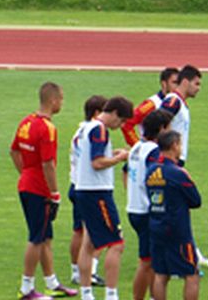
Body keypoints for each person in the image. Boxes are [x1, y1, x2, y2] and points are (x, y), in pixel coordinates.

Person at [11, 81, 77, 300]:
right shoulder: (47, 128)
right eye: (61, 99)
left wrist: (26, 172)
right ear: (53, 100)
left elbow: (14, 152)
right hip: (39, 189)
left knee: (45, 236)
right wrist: (55, 193)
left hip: (26, 184)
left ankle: (51, 283)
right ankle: (26, 288)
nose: (62, 103)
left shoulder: (26, 122)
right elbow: (48, 163)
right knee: (36, 238)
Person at [158, 64, 208, 270]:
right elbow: (159, 123)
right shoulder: (173, 101)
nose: (198, 88)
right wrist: (166, 153)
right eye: (197, 83)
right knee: (174, 210)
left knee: (179, 209)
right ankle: (179, 257)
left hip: (176, 160)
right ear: (186, 81)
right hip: (170, 162)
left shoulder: (180, 103)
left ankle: (191, 251)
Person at [75, 96, 133, 300]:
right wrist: (118, 158)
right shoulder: (100, 129)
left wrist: (111, 153)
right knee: (117, 244)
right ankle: (111, 294)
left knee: (89, 243)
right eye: (122, 120)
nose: (122, 125)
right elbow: (97, 163)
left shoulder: (85, 127)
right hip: (97, 192)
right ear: (115, 113)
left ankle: (87, 294)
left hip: (83, 188)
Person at [147, 131, 202, 300]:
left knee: (161, 274)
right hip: (178, 231)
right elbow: (196, 200)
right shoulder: (178, 173)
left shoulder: (150, 170)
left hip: (156, 225)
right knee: (191, 274)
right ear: (174, 145)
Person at [124, 110, 172, 300]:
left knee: (152, 260)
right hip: (147, 211)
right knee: (146, 262)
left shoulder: (137, 147)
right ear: (161, 129)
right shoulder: (153, 151)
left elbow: (126, 172)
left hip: (135, 208)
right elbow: (157, 177)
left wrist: (132, 193)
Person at [70, 95, 108, 288]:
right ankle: (90, 272)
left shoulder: (79, 131)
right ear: (96, 113)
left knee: (78, 230)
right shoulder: (95, 131)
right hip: (88, 187)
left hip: (75, 184)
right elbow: (96, 161)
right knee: (92, 233)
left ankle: (76, 271)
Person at [122, 68, 178, 147]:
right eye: (174, 82)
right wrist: (137, 146)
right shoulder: (152, 104)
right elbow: (127, 123)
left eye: (179, 83)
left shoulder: (177, 103)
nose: (177, 87)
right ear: (164, 84)